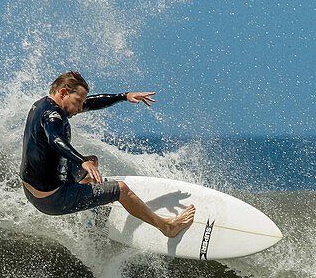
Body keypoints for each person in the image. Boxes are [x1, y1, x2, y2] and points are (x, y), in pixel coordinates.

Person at [20, 71, 195, 238]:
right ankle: (167, 228)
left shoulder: (42, 104)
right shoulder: (53, 116)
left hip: (32, 191)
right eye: (78, 102)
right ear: (63, 92)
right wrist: (81, 161)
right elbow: (55, 139)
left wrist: (124, 96)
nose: (81, 108)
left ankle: (88, 211)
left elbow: (93, 102)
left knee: (92, 162)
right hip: (52, 199)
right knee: (121, 189)